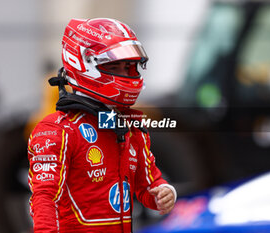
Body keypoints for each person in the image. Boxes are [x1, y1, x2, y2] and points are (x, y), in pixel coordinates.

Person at [27, 18, 176, 233]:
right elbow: (44, 198)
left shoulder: (130, 127)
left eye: (130, 67)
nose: (127, 75)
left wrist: (163, 192)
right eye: (115, 66)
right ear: (84, 64)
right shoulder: (57, 131)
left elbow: (148, 186)